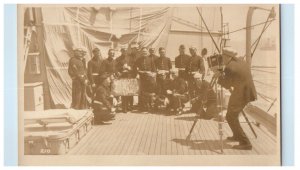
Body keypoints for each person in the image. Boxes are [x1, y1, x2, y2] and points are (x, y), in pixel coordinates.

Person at [217, 47, 257, 150]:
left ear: (227, 57)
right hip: (247, 91)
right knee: (231, 115)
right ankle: (236, 135)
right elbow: (235, 78)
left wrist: (218, 76)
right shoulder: (240, 61)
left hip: (241, 93)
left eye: (222, 57)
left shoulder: (229, 67)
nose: (222, 59)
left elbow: (227, 85)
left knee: (231, 117)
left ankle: (245, 143)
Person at [134, 47, 157, 111]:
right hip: (142, 78)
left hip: (149, 78)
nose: (144, 53)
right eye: (143, 52)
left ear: (147, 52)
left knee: (149, 92)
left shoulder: (150, 59)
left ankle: (150, 106)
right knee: (142, 92)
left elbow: (154, 69)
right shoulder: (138, 60)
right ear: (141, 52)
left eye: (145, 52)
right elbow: (135, 69)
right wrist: (139, 73)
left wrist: (153, 74)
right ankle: (142, 106)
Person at [115, 45, 134, 113]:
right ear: (121, 51)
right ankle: (124, 108)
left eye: (126, 50)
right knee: (123, 93)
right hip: (122, 77)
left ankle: (130, 107)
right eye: (123, 50)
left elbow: (134, 67)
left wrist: (130, 68)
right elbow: (115, 68)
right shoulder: (118, 59)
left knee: (130, 93)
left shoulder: (131, 58)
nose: (125, 51)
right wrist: (121, 68)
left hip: (129, 76)